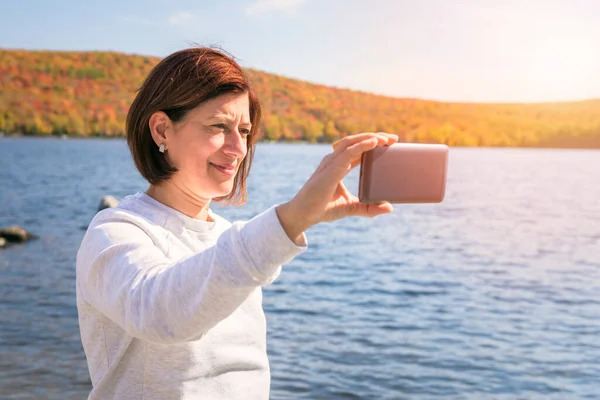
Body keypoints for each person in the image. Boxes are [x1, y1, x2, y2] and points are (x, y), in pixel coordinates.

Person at [75, 46, 398, 400]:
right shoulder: (114, 231)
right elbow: (159, 313)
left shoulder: (227, 237)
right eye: (219, 127)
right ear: (162, 130)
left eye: (244, 131)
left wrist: (293, 222)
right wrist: (291, 218)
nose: (238, 148)